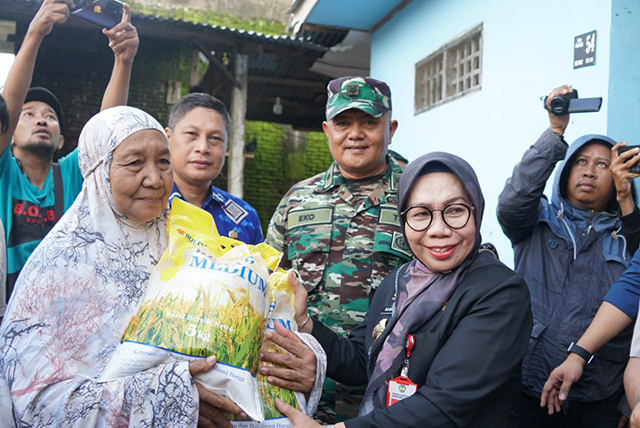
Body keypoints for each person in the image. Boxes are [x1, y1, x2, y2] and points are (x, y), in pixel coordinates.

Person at [0, 106, 298, 427]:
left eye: (163, 162)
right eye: (134, 163)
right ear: (101, 171)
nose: (155, 179)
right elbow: (32, 402)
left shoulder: (184, 241)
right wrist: (170, 396)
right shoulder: (60, 267)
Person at [261, 151, 532, 427]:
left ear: (476, 211)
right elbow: (360, 361)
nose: (438, 229)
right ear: (404, 219)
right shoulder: (400, 280)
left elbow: (445, 404)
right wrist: (304, 321)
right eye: (421, 214)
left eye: (455, 211)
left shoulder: (501, 293)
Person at [265, 76, 412, 422]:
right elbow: (268, 286)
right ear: (326, 130)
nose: (355, 134)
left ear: (390, 128)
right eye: (343, 123)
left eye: (369, 123)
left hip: (388, 400)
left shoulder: (417, 195)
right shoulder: (298, 200)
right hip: (302, 391)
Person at [497, 84, 640, 428]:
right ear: (564, 171)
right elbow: (513, 201)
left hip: (598, 399)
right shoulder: (536, 221)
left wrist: (628, 399)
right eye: (580, 161)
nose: (589, 171)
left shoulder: (628, 234)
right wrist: (555, 131)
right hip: (526, 390)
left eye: (603, 164)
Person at [0, 0, 139, 301]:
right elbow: (8, 106)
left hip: (60, 311)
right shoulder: (4, 171)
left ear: (61, 140)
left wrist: (123, 61)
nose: (41, 119)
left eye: (50, 117)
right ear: (9, 135)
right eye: (30, 114)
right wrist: (36, 32)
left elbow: (107, 128)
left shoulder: (71, 174)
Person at [165, 93, 262, 243]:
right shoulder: (147, 206)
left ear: (226, 146)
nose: (203, 148)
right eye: (192, 134)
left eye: (215, 138)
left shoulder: (244, 218)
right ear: (168, 138)